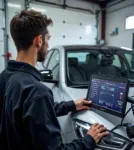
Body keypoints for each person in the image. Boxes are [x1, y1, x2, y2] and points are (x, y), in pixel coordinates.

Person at [0, 10, 109, 150]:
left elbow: (29, 113)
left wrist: (71, 105)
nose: (48, 44)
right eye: (48, 38)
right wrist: (88, 140)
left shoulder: (5, 76)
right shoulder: (37, 91)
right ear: (39, 40)